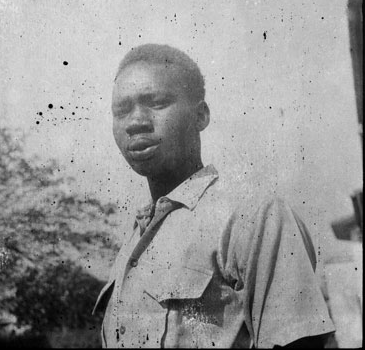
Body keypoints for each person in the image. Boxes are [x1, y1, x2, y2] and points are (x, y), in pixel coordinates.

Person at [93, 43, 335, 348]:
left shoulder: (251, 215)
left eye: (156, 102)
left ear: (201, 116)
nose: (136, 122)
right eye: (121, 111)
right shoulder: (134, 240)